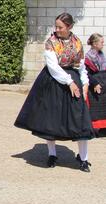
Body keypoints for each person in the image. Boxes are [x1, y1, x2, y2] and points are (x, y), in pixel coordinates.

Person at [14, 13, 95, 172]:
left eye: (60, 27)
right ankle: (52, 154)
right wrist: (69, 81)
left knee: (80, 119)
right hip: (53, 81)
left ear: (69, 27)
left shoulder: (77, 42)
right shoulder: (51, 42)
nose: (57, 29)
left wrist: (85, 82)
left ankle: (83, 158)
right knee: (51, 119)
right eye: (56, 26)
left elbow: (81, 65)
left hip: (73, 79)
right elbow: (53, 67)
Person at [85, 33, 106, 137]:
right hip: (94, 85)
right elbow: (87, 73)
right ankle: (94, 129)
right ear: (94, 43)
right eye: (101, 42)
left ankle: (103, 129)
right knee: (95, 108)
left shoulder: (101, 55)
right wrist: (95, 83)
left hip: (103, 83)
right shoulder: (88, 57)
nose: (103, 44)